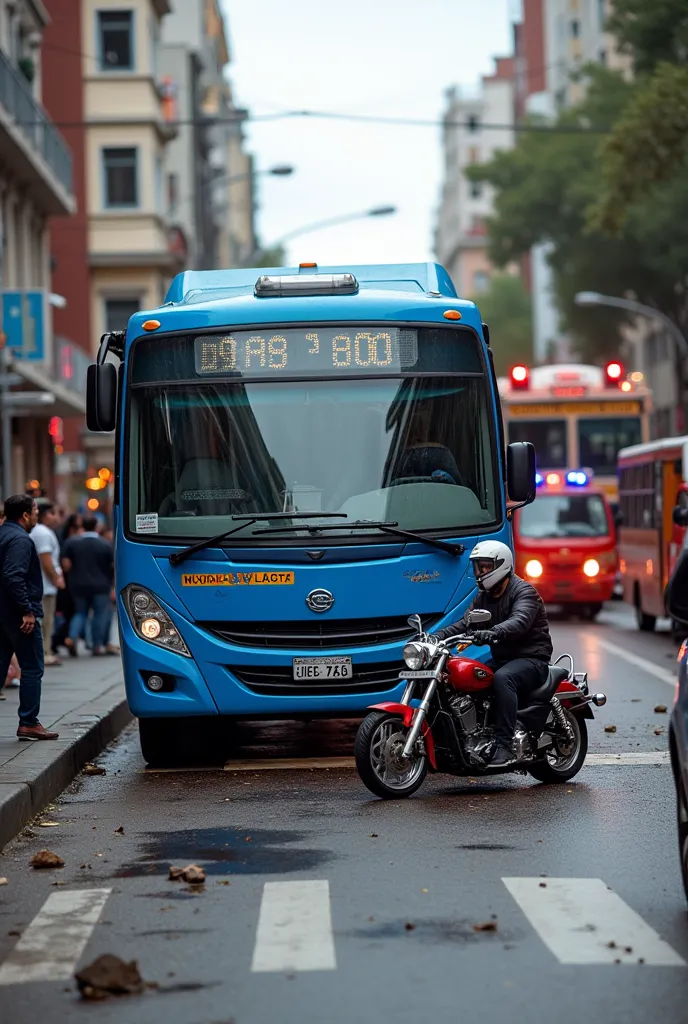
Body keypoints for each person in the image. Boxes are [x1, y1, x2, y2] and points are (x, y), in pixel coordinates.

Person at [432, 539, 553, 767]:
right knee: (464, 677)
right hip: (504, 659)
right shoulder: (483, 597)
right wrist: (436, 637)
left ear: (501, 565)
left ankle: (504, 746)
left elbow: (520, 621)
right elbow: (465, 623)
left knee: (502, 678)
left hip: (532, 659)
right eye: (478, 567)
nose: (480, 572)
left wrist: (493, 631)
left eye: (485, 566)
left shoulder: (524, 592)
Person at [0, 494, 58, 739]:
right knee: (32, 667)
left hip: (1, 612)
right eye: (35, 510)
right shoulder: (21, 540)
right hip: (18, 615)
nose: (37, 515)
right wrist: (27, 610)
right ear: (25, 515)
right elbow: (13, 575)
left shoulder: (3, 534)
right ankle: (29, 722)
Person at [62, 516, 115, 657]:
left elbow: (66, 565)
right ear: (96, 526)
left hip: (78, 584)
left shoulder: (72, 543)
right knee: (99, 615)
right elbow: (113, 567)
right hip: (101, 585)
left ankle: (71, 637)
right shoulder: (105, 544)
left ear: (82, 526)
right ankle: (96, 645)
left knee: (80, 613)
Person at [30, 501, 65, 666]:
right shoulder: (43, 533)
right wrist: (55, 578)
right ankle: (45, 652)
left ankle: (45, 651)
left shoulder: (40, 531)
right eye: (53, 513)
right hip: (45, 586)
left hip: (43, 585)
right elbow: (46, 559)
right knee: (46, 620)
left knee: (45, 620)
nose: (55, 517)